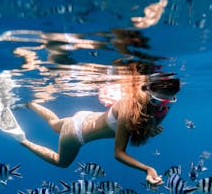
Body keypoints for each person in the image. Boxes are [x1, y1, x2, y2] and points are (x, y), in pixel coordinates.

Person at [13, 67, 180, 186]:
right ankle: (23, 140)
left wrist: (149, 129)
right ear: (148, 90)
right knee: (61, 162)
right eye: (158, 101)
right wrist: (147, 169)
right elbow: (118, 153)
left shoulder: (157, 108)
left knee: (53, 125)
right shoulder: (129, 107)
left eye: (168, 101)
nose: (161, 106)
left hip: (84, 117)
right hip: (76, 133)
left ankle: (29, 103)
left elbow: (141, 125)